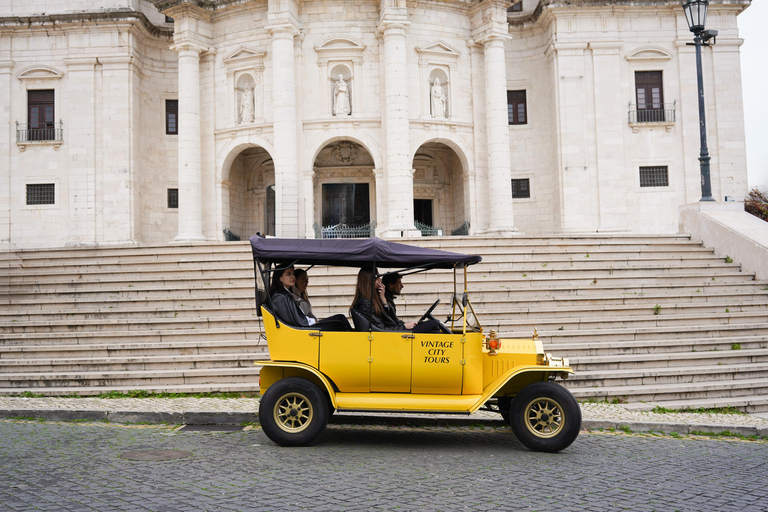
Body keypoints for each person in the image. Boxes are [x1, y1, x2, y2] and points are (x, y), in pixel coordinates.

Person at [351, 268, 440, 333]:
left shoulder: (372, 300)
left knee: (433, 325)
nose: (381, 280)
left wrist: (384, 301)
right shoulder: (366, 303)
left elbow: (388, 322)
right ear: (370, 281)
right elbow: (382, 329)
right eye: (378, 278)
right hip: (389, 336)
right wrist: (404, 326)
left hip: (392, 332)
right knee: (434, 324)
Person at [269, 265, 350, 331]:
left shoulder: (285, 294)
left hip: (303, 326)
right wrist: (312, 321)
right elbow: (294, 319)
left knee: (340, 318)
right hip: (302, 329)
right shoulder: (280, 297)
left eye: (293, 274)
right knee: (339, 322)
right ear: (279, 278)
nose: (292, 277)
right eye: (288, 274)